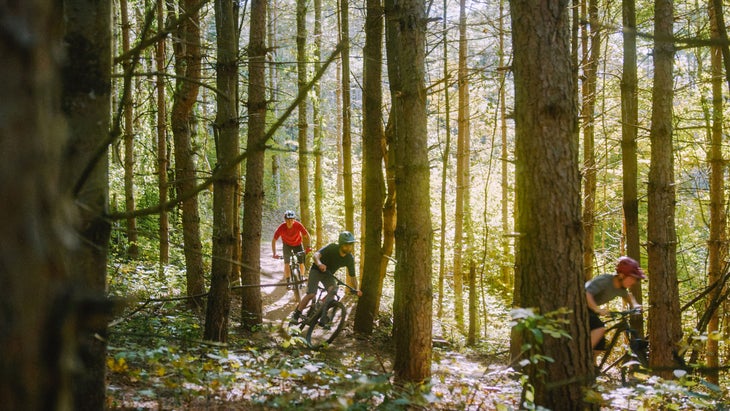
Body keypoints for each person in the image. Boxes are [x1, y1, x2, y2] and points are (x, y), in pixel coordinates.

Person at [290, 231, 362, 325]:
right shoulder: (332, 247)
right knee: (311, 293)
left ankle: (321, 310)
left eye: (351, 244)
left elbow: (353, 276)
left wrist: (356, 289)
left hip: (328, 274)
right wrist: (320, 264)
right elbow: (316, 255)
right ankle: (296, 314)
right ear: (341, 244)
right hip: (316, 270)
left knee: (333, 290)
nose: (349, 247)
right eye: (347, 245)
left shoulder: (349, 258)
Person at [585, 256, 645, 350]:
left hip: (589, 310)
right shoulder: (605, 280)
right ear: (621, 275)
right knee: (599, 328)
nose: (633, 282)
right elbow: (587, 293)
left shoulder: (620, 287)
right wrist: (596, 309)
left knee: (600, 345)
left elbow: (627, 295)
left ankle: (593, 363)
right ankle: (584, 356)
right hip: (580, 307)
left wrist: (635, 305)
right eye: (631, 278)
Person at [272, 210, 311, 287]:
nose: (290, 222)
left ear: (294, 220)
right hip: (287, 245)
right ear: (285, 220)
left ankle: (302, 279)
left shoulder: (298, 225)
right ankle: (288, 282)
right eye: (288, 220)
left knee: (301, 262)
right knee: (286, 263)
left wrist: (308, 247)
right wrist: (274, 253)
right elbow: (274, 240)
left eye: (291, 220)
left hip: (298, 244)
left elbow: (307, 235)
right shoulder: (281, 227)